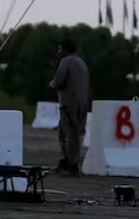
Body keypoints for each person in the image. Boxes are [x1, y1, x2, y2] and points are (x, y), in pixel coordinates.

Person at [49, 38, 89, 176]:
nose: (59, 52)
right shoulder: (81, 62)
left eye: (60, 49)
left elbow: (59, 80)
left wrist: (52, 83)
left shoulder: (66, 62)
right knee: (67, 133)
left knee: (69, 134)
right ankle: (65, 160)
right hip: (81, 103)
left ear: (65, 50)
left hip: (68, 103)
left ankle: (72, 164)